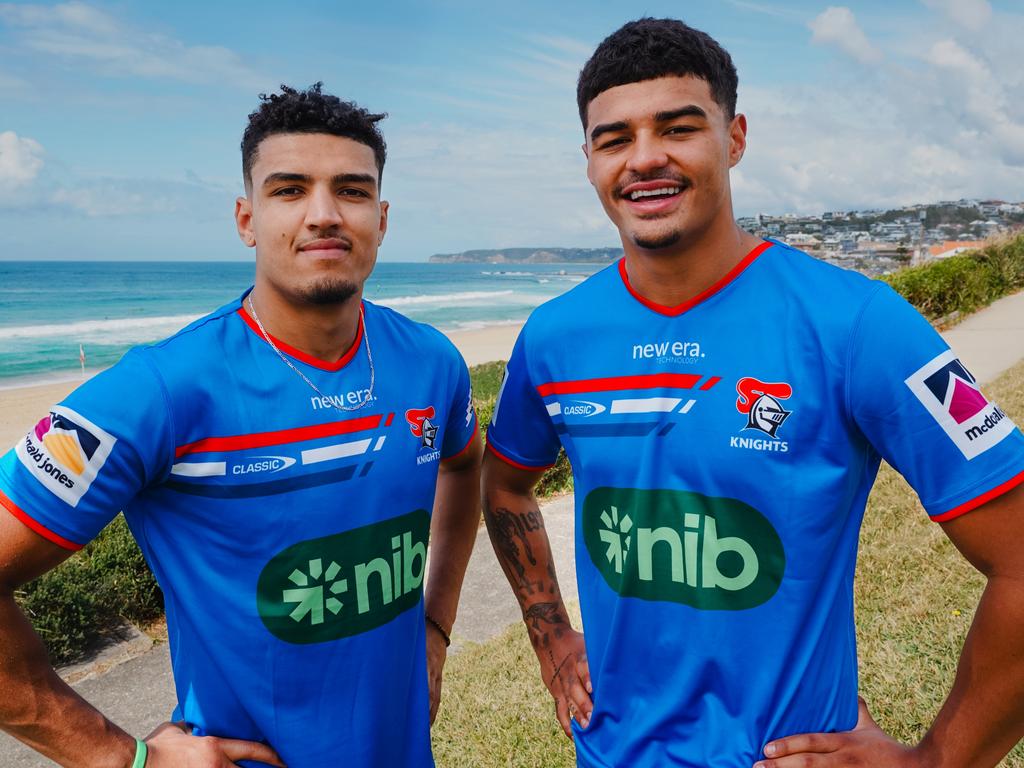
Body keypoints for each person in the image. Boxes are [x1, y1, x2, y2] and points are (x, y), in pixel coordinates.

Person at [483, 18, 1024, 768]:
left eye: (678, 127)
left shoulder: (858, 324)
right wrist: (549, 630)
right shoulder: (554, 337)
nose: (645, 158)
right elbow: (506, 487)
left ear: (734, 138)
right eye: (614, 139)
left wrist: (937, 760)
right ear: (589, 159)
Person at [0, 83, 482, 767]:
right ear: (246, 218)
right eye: (289, 190)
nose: (323, 215)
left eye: (349, 190)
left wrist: (435, 622)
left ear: (381, 217)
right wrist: (119, 757)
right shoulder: (162, 390)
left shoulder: (432, 362)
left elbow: (465, 465)